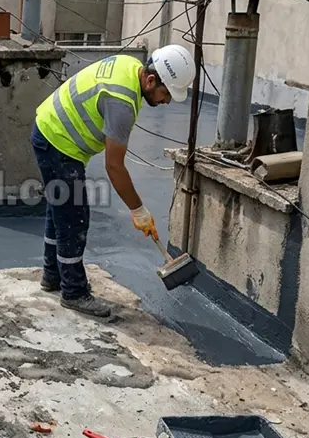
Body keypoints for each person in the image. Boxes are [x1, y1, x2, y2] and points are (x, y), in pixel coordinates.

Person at [31, 45, 196, 317]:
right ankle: (73, 292)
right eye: (166, 94)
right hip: (58, 142)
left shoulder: (129, 66)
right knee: (74, 217)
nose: (166, 101)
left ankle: (53, 276)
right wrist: (139, 210)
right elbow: (114, 166)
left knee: (59, 209)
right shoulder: (122, 102)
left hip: (49, 128)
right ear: (151, 80)